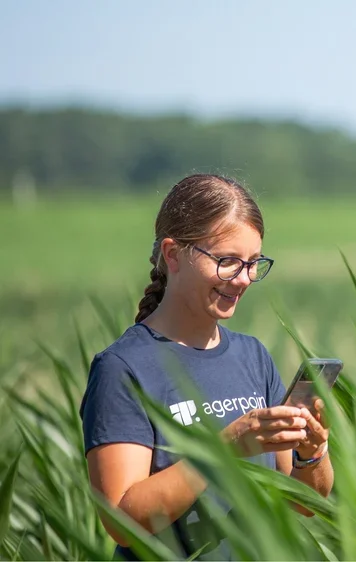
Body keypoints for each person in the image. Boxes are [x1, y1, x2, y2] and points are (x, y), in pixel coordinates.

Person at [79, 174, 334, 560]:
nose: (244, 279)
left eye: (253, 263)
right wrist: (225, 449)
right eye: (228, 261)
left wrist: (312, 454)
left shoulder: (253, 357)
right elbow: (122, 522)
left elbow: (303, 501)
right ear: (173, 254)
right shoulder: (123, 368)